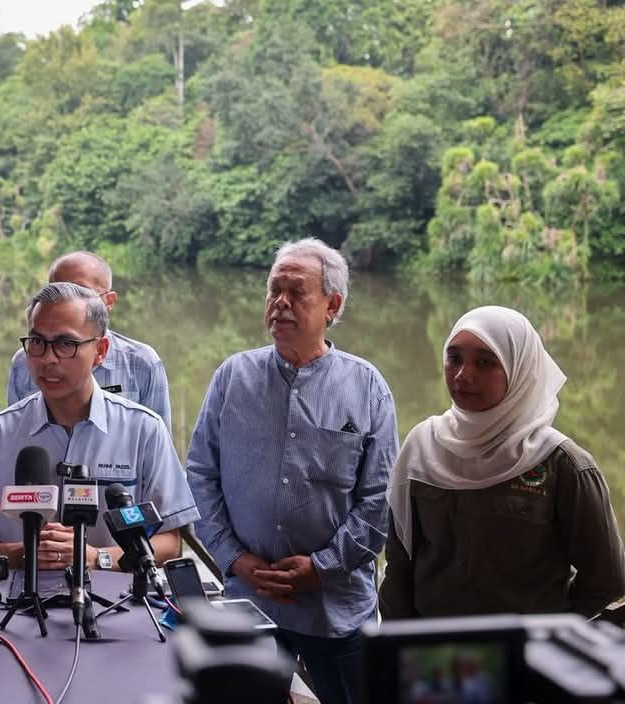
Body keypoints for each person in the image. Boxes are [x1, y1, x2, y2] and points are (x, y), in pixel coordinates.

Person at [185, 238, 399, 704]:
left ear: (332, 304)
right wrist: (236, 559)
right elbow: (200, 474)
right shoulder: (232, 378)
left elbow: (380, 501)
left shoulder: (367, 387)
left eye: (296, 292)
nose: (280, 303)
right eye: (273, 291)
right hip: (249, 600)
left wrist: (321, 568)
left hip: (335, 607)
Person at [379, 306, 625, 619]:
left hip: (528, 660)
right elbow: (399, 567)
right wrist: (397, 650)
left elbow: (607, 577)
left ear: (520, 369)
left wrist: (549, 632)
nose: (463, 375)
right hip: (437, 657)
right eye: (454, 358)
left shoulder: (561, 464)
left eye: (484, 362)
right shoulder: (421, 447)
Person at [0, 282, 198, 572]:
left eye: (66, 344)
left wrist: (96, 558)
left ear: (101, 350)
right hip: (15, 608)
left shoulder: (144, 430)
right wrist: (28, 554)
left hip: (115, 606)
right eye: (37, 342)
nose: (48, 358)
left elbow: (169, 541)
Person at [6, 251, 172, 430]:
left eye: (81, 292)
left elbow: (159, 442)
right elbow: (15, 435)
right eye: (57, 291)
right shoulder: (24, 362)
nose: (66, 302)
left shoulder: (141, 363)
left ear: (109, 301)